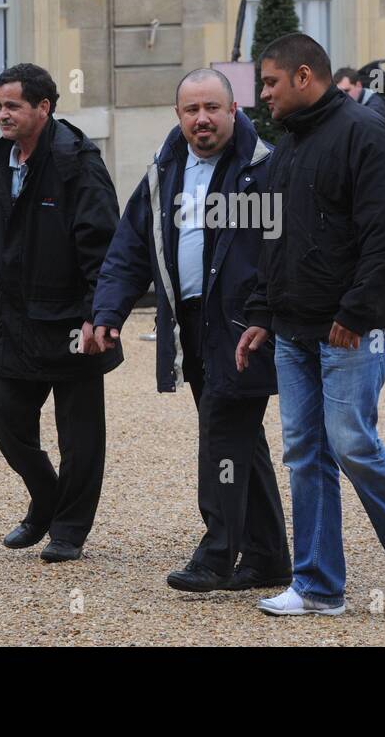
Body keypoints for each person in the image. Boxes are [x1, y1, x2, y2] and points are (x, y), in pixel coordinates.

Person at [237, 33, 385, 617]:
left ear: (304, 76)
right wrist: (260, 315)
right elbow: (270, 242)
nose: (263, 97)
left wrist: (353, 313)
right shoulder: (286, 146)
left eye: (270, 84)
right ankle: (320, 587)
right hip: (293, 328)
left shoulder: (366, 134)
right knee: (304, 450)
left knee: (350, 441)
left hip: (351, 327)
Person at [88, 68, 291, 593]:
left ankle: (218, 553)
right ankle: (268, 558)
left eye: (212, 108)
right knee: (241, 437)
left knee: (222, 433)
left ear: (233, 111)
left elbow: (283, 250)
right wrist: (108, 313)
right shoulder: (165, 168)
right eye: (191, 110)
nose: (202, 119)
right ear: (178, 117)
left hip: (245, 324)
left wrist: (267, 317)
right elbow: (130, 247)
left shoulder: (262, 168)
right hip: (189, 322)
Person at [0, 63, 123, 563]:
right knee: (3, 413)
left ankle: (69, 529)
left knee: (79, 434)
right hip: (14, 321)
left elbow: (102, 246)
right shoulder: (2, 161)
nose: (3, 115)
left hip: (72, 323)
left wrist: (95, 314)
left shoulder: (78, 162)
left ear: (44, 107)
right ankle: (47, 497)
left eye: (12, 105)